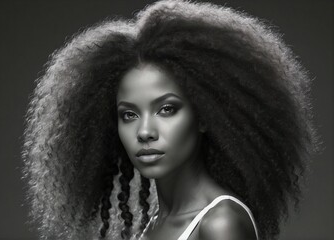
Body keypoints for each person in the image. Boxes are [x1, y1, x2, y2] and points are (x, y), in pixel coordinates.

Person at [22, 0, 319, 240]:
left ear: (204, 114)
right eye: (129, 114)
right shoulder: (152, 224)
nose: (145, 131)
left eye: (166, 109)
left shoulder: (220, 224)